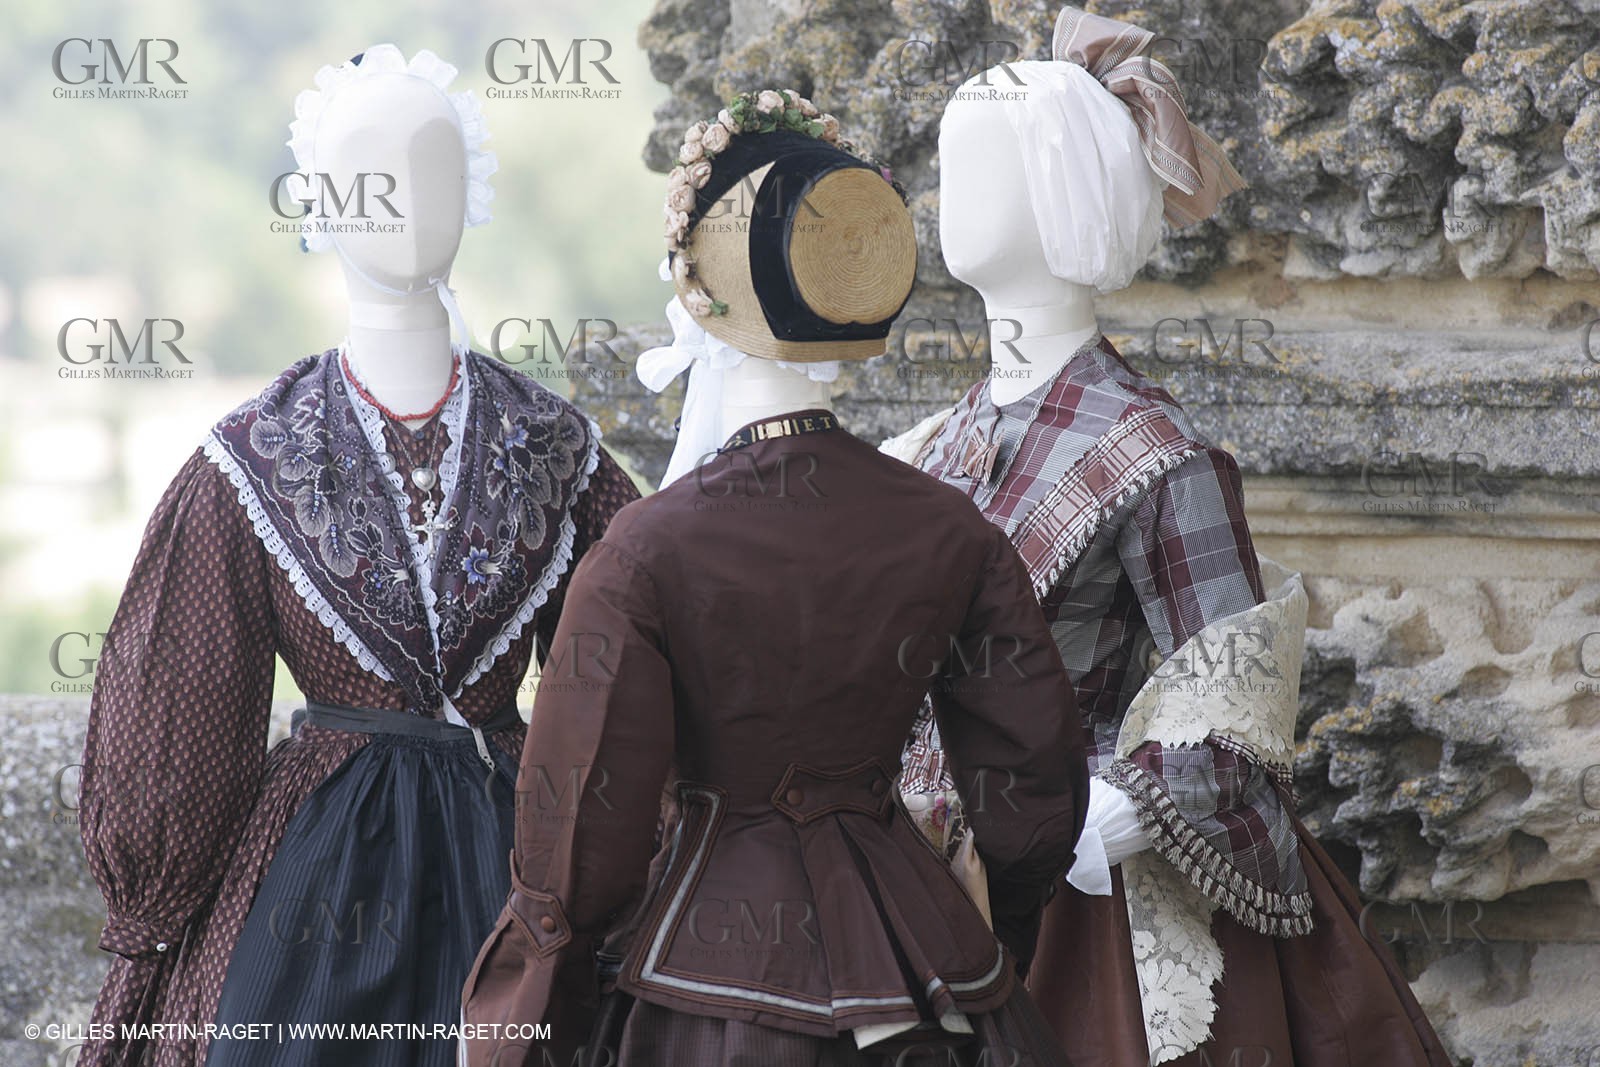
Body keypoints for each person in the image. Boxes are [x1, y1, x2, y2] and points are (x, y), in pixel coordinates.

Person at [460, 90, 1089, 1067]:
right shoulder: (947, 527)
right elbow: (1034, 771)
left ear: (698, 295)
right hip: (924, 960)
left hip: (708, 987)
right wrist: (991, 923)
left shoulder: (646, 550)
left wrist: (533, 999)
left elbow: (582, 826)